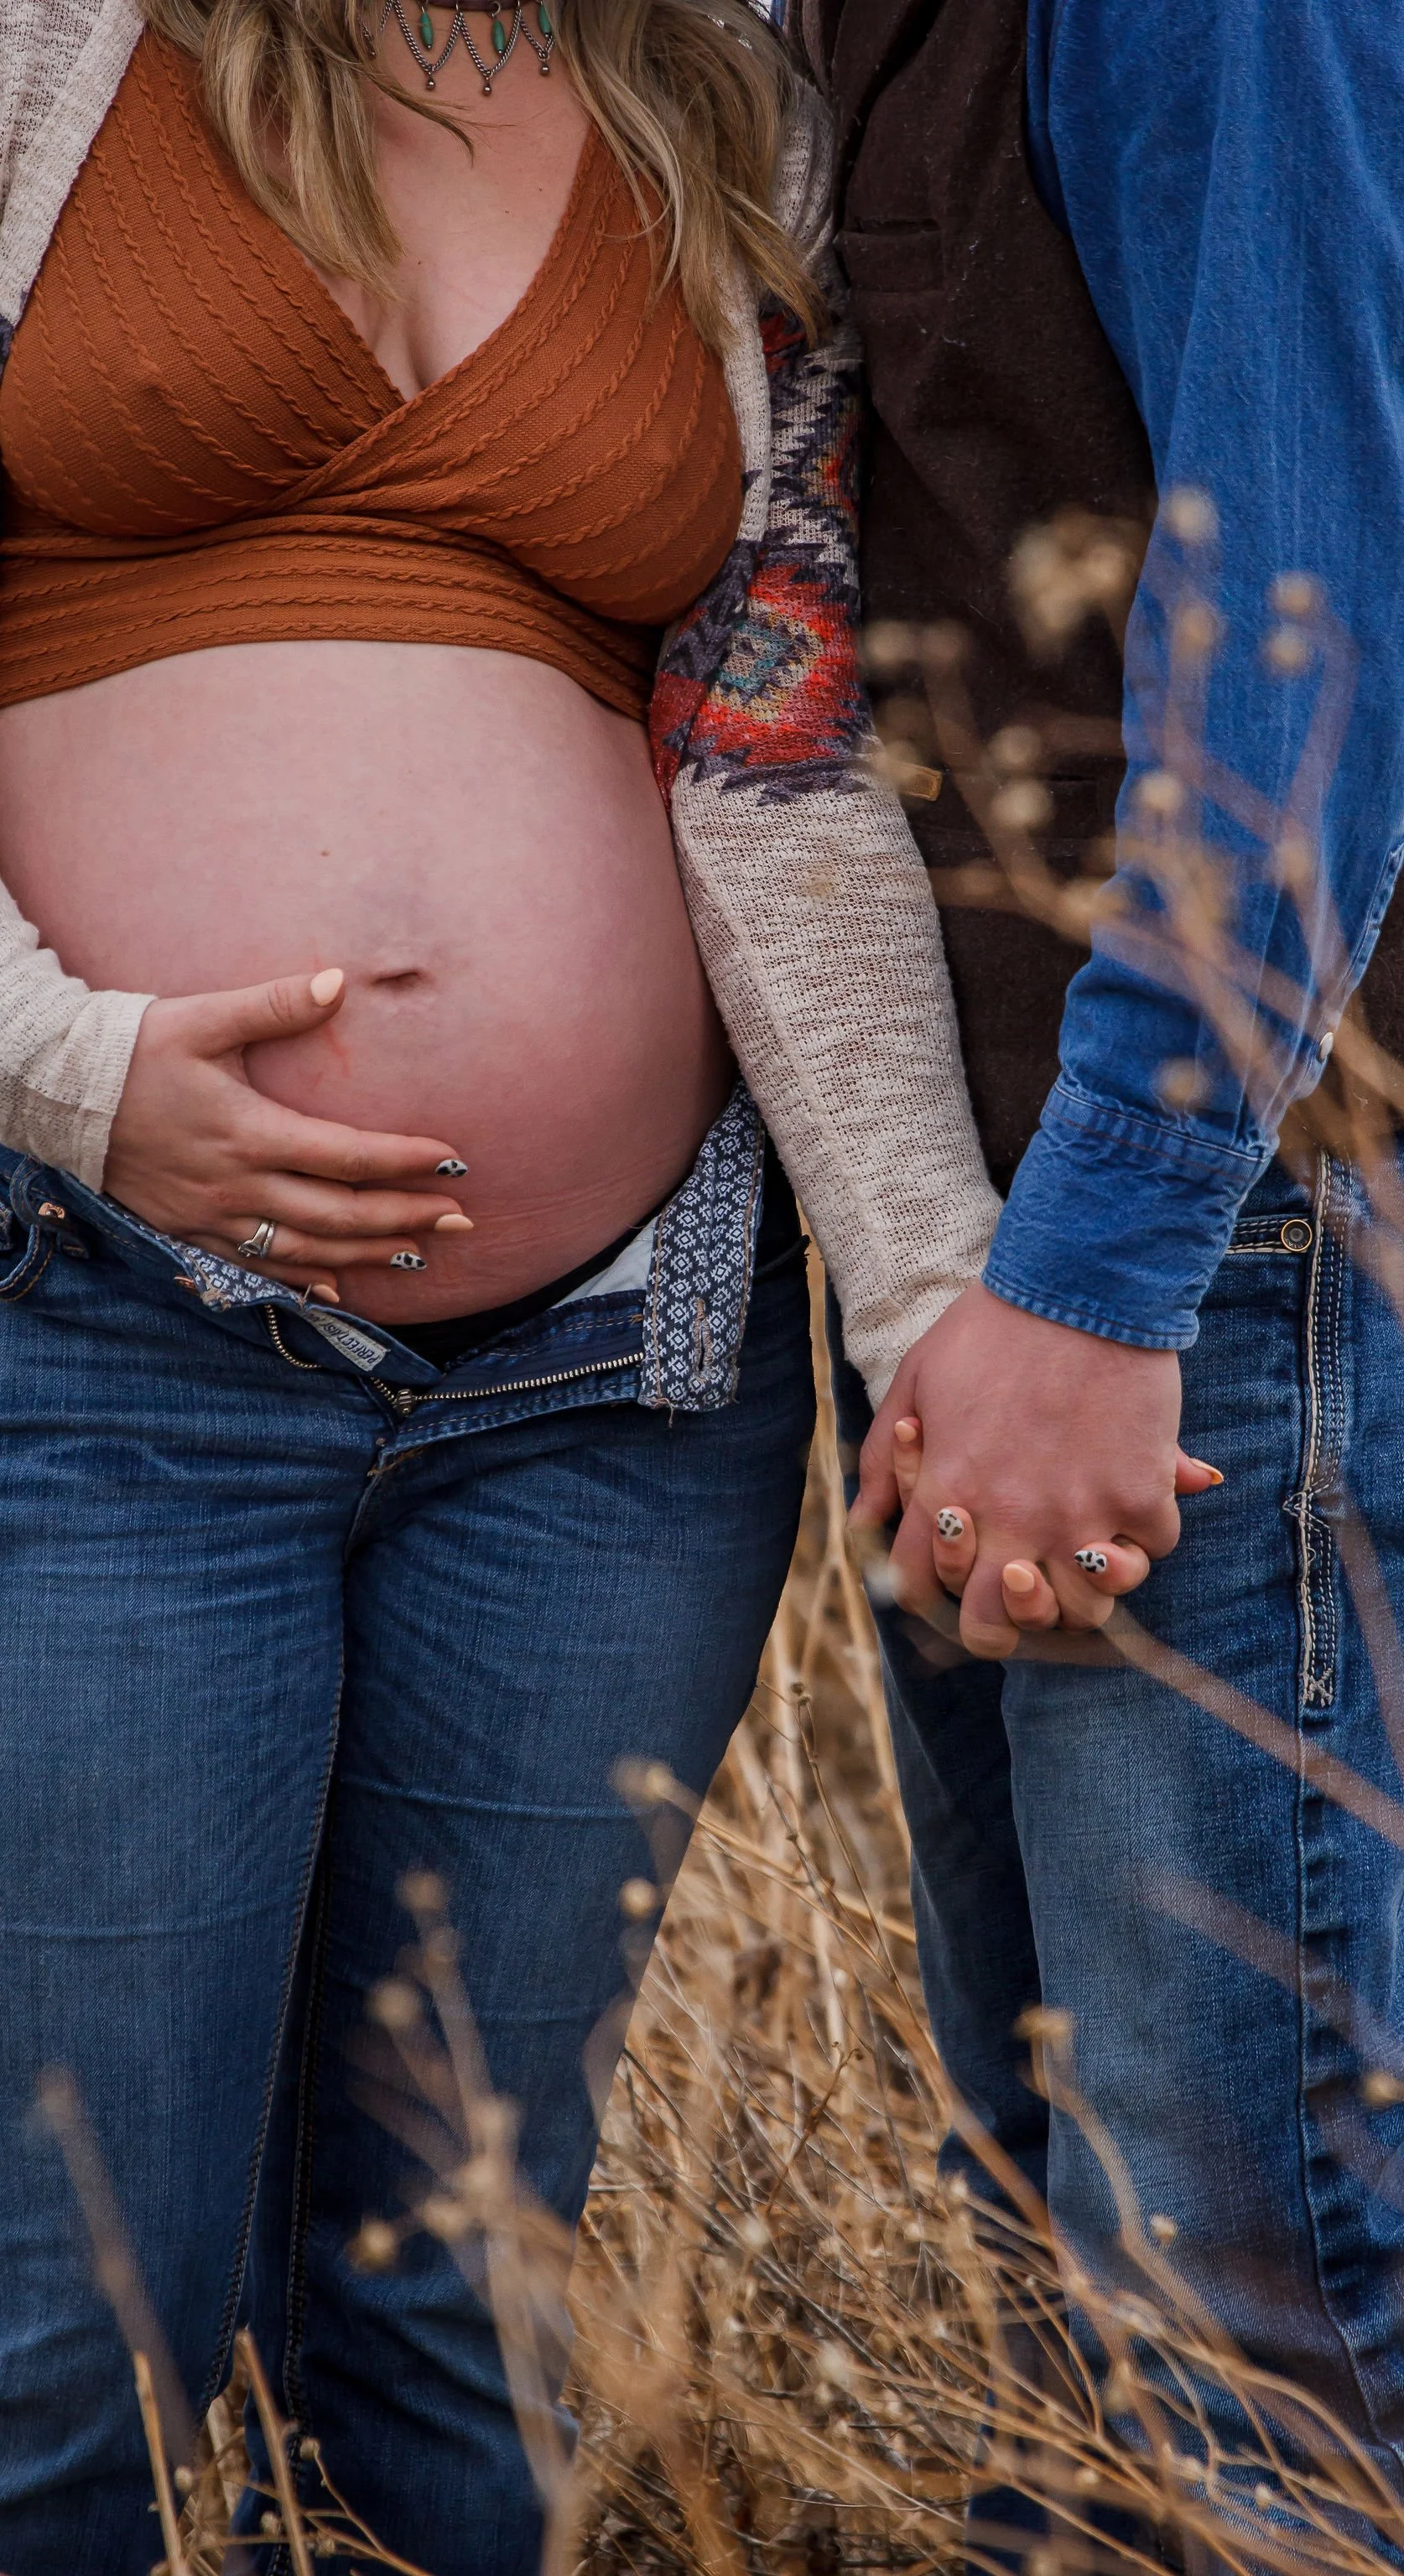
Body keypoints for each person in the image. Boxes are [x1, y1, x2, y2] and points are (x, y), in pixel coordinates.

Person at [0, 1, 1003, 2565]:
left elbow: (776, 756)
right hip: (98, 1334)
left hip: (613, 1389)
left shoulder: (722, 104)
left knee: (460, 2296)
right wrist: (73, 1067)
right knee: (72, 2322)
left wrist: (929, 1294)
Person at [799, 0, 1404, 2564]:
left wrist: (1107, 1277)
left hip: (1230, 1240)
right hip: (1026, 1239)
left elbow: (1299, 615)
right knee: (1071, 2230)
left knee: (1241, 2282)